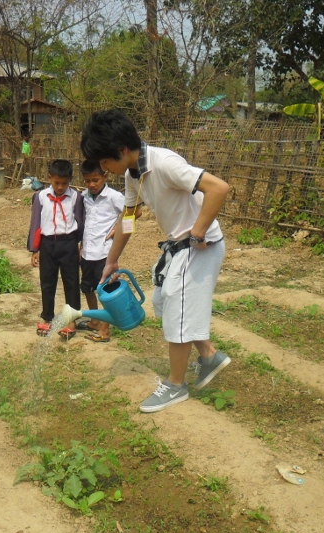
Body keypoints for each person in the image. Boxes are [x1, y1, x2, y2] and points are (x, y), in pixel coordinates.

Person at [80, 109, 231, 414]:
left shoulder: (165, 163)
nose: (103, 168)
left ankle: (175, 385)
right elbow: (129, 217)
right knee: (163, 301)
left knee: (176, 307)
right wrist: (112, 260)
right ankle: (209, 355)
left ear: (122, 150)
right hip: (179, 246)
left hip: (200, 246)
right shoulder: (131, 173)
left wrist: (198, 230)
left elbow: (218, 188)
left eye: (105, 161)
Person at [26, 159, 84, 340]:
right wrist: (35, 249)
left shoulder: (75, 197)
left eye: (65, 183)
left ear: (70, 180)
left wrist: (82, 244)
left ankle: (71, 321)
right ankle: (47, 317)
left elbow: (81, 222)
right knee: (47, 282)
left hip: (69, 244)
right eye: (57, 183)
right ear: (49, 178)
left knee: (72, 283)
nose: (60, 187)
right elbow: (36, 223)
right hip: (47, 244)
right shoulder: (41, 197)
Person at [76, 160, 125, 343]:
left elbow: (135, 212)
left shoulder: (114, 196)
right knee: (87, 288)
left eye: (95, 180)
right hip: (87, 251)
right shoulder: (84, 196)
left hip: (105, 254)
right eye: (87, 181)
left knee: (104, 291)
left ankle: (105, 329)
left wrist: (117, 228)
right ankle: (95, 321)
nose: (92, 185)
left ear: (105, 176)